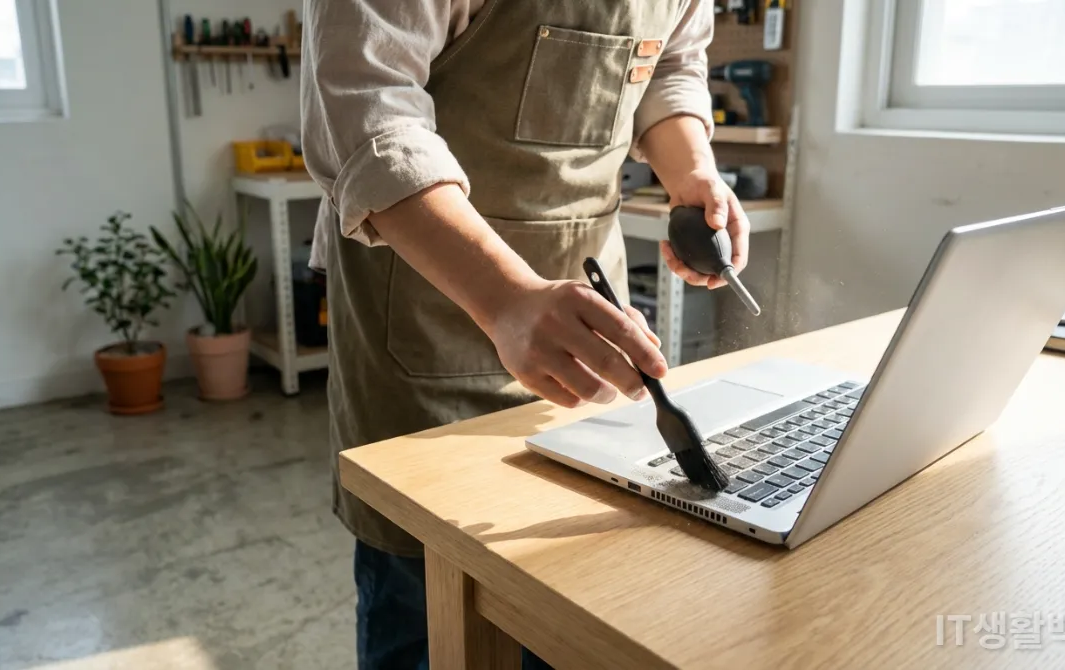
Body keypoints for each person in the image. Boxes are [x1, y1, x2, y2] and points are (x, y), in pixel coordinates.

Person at [300, 1, 751, 667]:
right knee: (427, 599)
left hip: (589, 306)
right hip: (427, 312)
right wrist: (506, 299)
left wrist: (692, 169)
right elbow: (366, 110)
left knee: (571, 595)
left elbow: (669, 66)